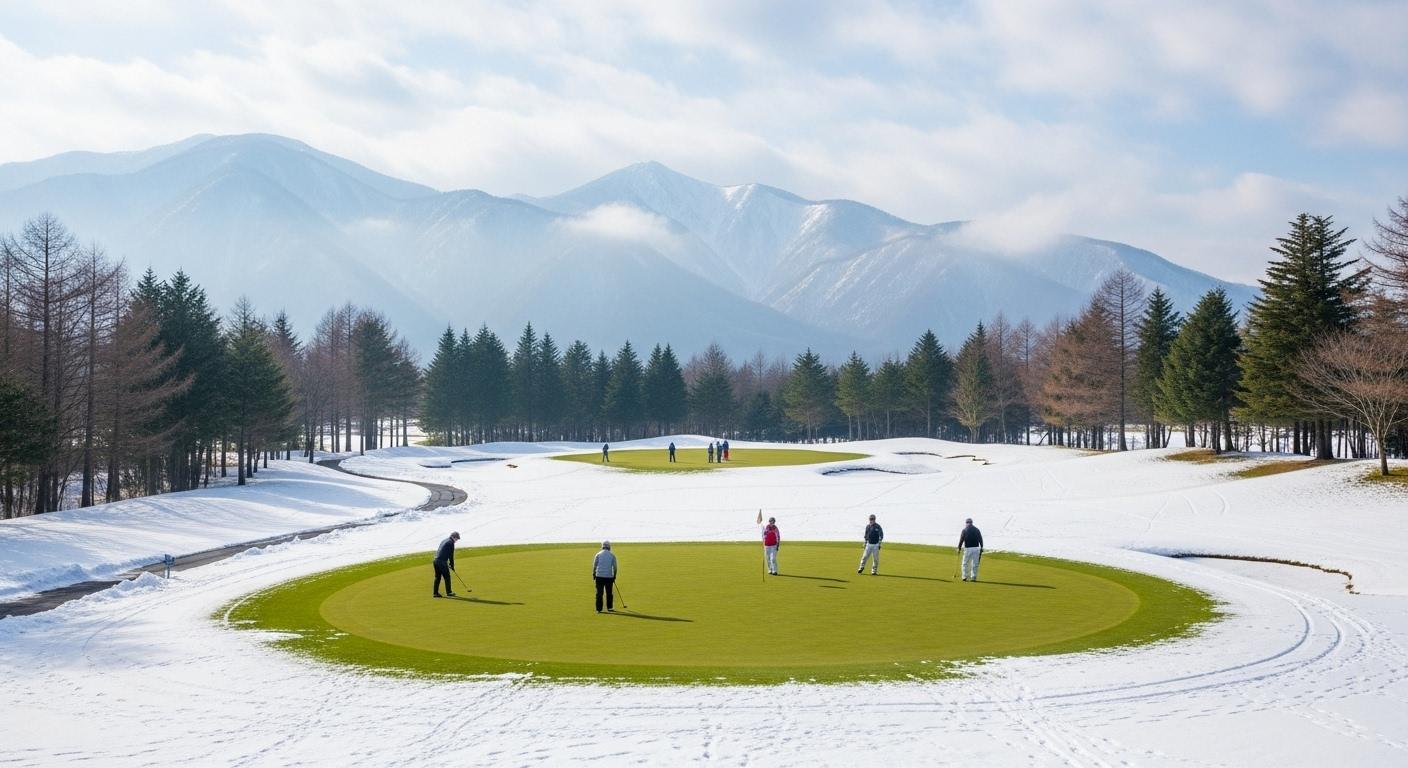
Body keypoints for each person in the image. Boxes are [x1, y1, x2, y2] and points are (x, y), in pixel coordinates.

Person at [432, 531, 460, 597]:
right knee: (447, 577)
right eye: (456, 538)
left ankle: (435, 593)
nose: (456, 540)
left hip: (435, 560)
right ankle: (449, 592)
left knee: (437, 577)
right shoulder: (451, 543)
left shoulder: (444, 540)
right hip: (441, 561)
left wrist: (450, 564)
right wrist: (452, 565)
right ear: (453, 537)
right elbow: (451, 555)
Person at [592, 540, 618, 612]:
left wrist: (593, 574)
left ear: (602, 546)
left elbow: (595, 565)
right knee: (609, 593)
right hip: (608, 577)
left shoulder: (598, 554)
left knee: (599, 593)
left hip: (599, 576)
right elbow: (615, 567)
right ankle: (609, 608)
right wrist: (614, 576)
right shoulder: (612, 555)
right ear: (609, 547)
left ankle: (599, 609)